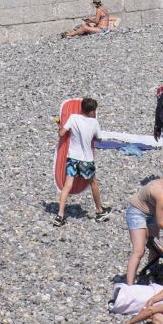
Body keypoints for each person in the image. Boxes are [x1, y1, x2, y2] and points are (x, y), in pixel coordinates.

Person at [53, 97, 111, 227]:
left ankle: (60, 215)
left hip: (72, 158)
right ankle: (99, 211)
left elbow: (61, 133)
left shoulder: (73, 117)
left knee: (67, 185)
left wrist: (60, 126)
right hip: (86, 160)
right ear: (91, 111)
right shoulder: (94, 123)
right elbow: (99, 139)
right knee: (93, 184)